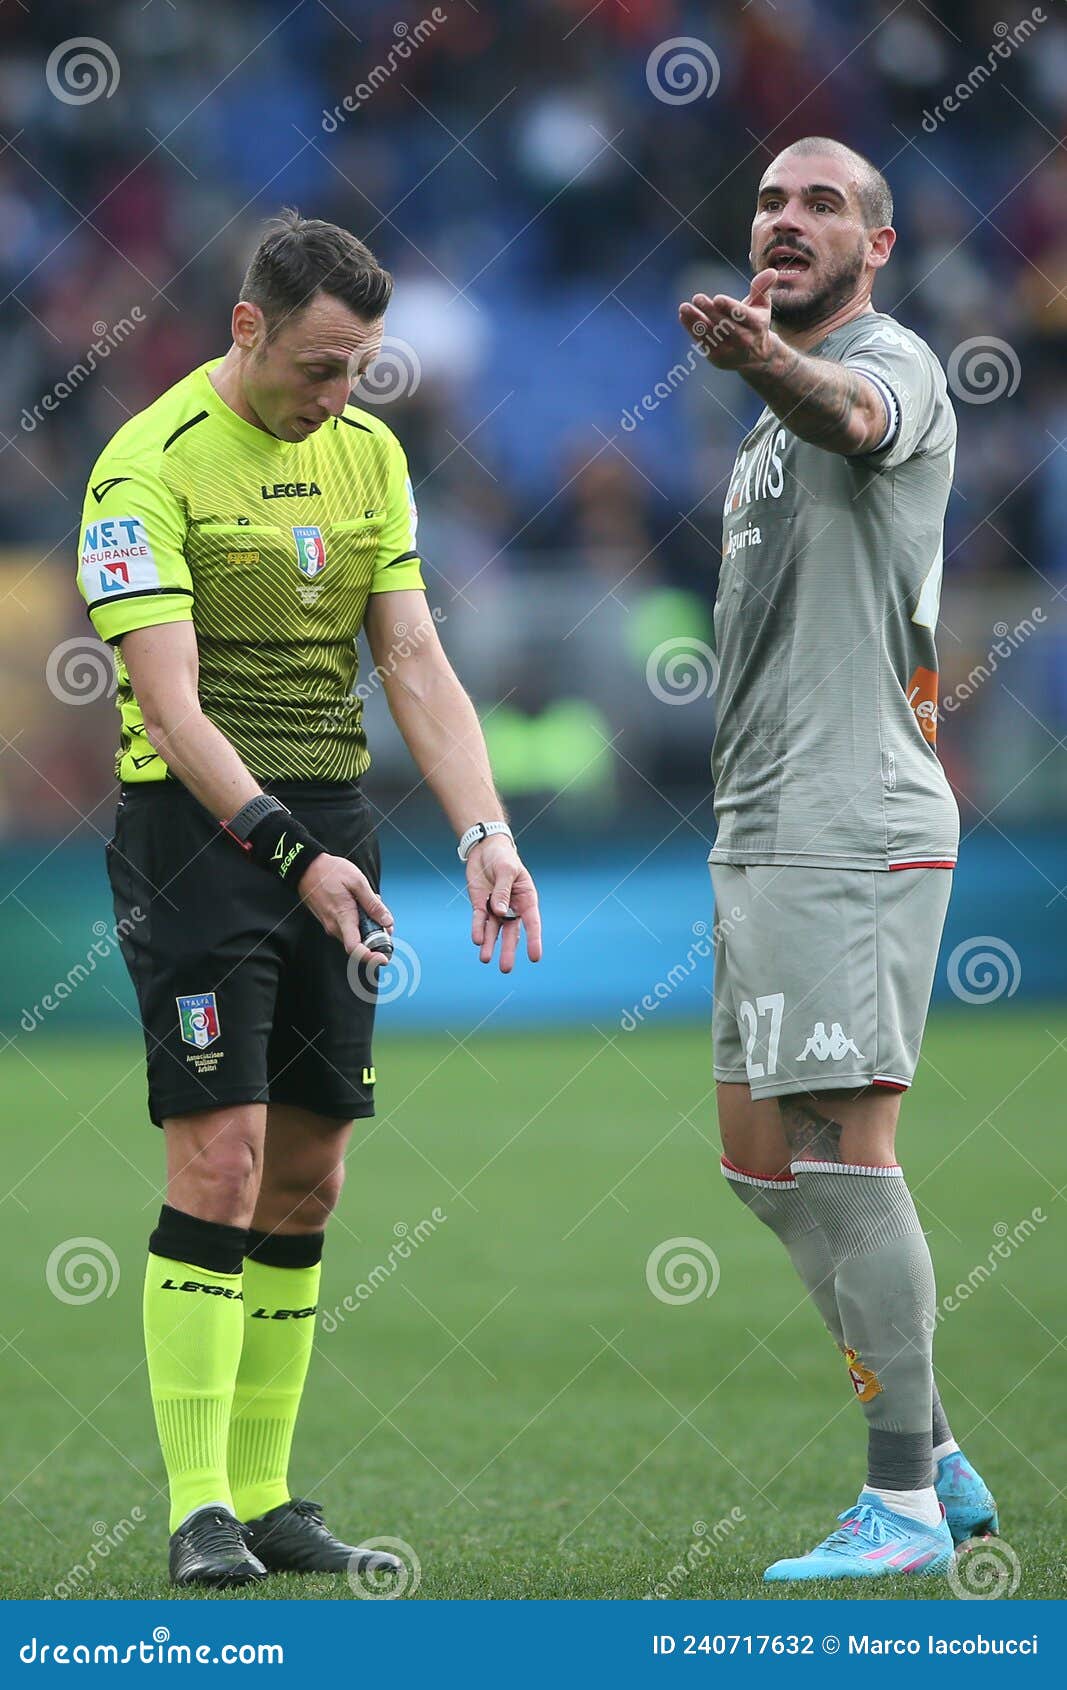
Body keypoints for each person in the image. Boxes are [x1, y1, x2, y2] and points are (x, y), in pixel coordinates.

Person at [76, 210, 541, 1589]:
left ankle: (271, 1495)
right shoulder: (141, 468)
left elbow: (412, 659)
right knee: (218, 1155)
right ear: (245, 329)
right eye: (319, 366)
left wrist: (483, 830)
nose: (338, 397)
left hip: (334, 827)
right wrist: (290, 852)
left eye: (360, 370)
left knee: (313, 1170)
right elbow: (169, 703)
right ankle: (199, 1503)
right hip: (198, 833)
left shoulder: (369, 455)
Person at [679, 138, 997, 1582]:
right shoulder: (757, 427)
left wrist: (769, 369)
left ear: (874, 243)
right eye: (768, 201)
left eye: (822, 204)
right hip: (764, 821)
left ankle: (905, 1508)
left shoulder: (894, 363)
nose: (786, 220)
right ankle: (934, 1446)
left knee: (843, 1146)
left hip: (850, 816)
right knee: (763, 1162)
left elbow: (857, 413)